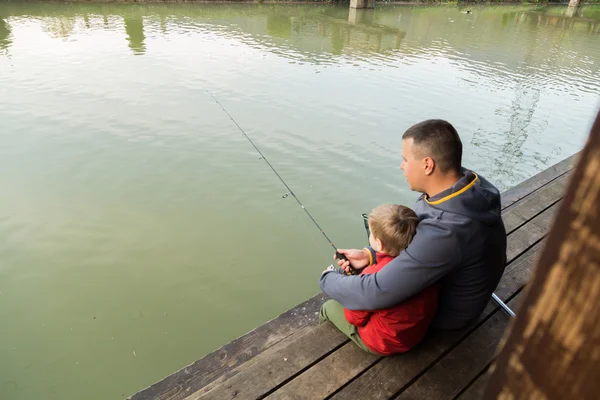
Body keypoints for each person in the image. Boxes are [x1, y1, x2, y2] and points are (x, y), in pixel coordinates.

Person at [320, 119, 507, 330]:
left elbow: (375, 292)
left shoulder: (446, 232)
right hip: (454, 293)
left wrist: (328, 279)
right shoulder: (468, 186)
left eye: (405, 160)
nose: (401, 166)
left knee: (332, 307)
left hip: (441, 318)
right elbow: (418, 243)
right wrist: (371, 255)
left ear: (427, 165)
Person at [320, 204, 440, 355]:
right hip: (415, 333)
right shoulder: (425, 262)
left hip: (385, 342)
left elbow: (353, 318)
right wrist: (367, 261)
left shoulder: (377, 277)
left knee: (328, 307)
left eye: (370, 233)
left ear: (379, 243)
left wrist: (331, 278)